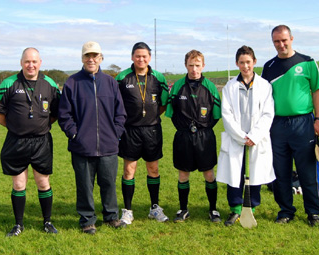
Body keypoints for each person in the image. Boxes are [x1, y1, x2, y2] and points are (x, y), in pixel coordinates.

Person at [58, 41, 127, 235]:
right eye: (87, 56)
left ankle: (111, 216)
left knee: (108, 183)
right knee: (84, 185)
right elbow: (64, 115)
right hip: (82, 147)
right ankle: (87, 220)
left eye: (95, 56)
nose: (91, 59)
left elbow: (120, 113)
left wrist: (115, 133)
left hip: (108, 145)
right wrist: (75, 134)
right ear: (82, 58)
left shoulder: (111, 83)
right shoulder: (72, 83)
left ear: (101, 58)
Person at [0, 47, 60, 236]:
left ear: (40, 63)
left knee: (43, 182)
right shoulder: (9, 82)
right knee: (19, 185)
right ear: (21, 63)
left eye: (34, 61)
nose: (31, 65)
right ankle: (18, 224)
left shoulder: (50, 83)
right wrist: (13, 126)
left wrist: (42, 125)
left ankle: (47, 222)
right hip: (17, 141)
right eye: (27, 61)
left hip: (41, 142)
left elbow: (57, 111)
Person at [261, 25, 319, 226]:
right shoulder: (268, 66)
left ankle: (313, 212)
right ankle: (286, 211)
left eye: (284, 40)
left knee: (308, 170)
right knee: (281, 172)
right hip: (277, 125)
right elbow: (263, 98)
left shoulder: (307, 62)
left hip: (303, 123)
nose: (281, 45)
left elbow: (317, 91)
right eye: (276, 41)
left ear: (292, 39)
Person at [217, 46, 276, 226]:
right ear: (237, 64)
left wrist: (255, 136)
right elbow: (226, 114)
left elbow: (268, 113)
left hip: (257, 139)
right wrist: (242, 137)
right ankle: (235, 209)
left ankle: (251, 208)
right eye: (241, 62)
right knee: (235, 174)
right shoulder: (230, 86)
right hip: (236, 139)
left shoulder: (264, 86)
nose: (245, 66)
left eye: (248, 62)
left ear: (254, 62)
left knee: (256, 173)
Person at [115, 42, 170, 225]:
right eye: (138, 56)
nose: (141, 59)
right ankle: (128, 210)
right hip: (130, 130)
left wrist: (151, 116)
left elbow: (163, 103)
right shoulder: (122, 78)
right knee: (129, 170)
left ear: (150, 58)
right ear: (132, 57)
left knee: (153, 169)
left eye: (144, 56)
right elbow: (115, 104)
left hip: (152, 130)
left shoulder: (158, 78)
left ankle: (154, 208)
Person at [165, 50, 222, 223]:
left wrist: (203, 128)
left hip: (205, 136)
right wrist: (183, 129)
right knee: (183, 174)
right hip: (183, 136)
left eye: (198, 65)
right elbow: (170, 112)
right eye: (191, 65)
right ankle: (183, 209)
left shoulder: (210, 87)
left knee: (209, 174)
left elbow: (217, 114)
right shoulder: (177, 86)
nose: (194, 69)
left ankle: (213, 209)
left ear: (203, 66)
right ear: (186, 65)